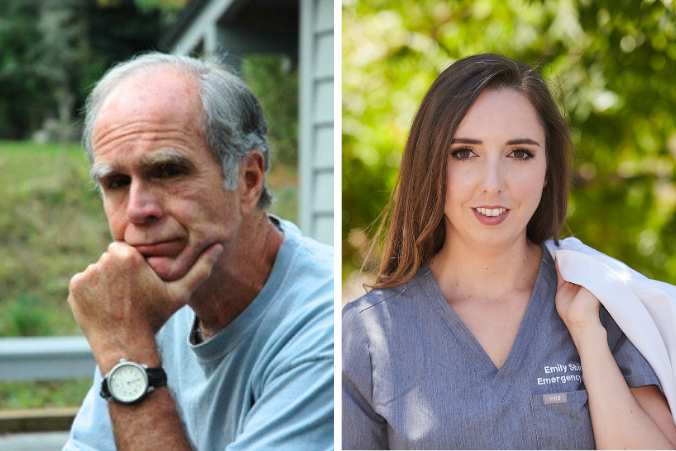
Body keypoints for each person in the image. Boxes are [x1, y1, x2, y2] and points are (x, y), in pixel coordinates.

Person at [342, 53, 676, 449]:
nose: (492, 184)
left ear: (548, 168)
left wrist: (588, 335)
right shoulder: (369, 335)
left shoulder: (604, 300)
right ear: (430, 163)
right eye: (464, 152)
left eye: (520, 153)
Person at [63, 52, 334, 450]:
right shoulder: (142, 304)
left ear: (248, 179)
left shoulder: (326, 329)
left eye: (169, 171)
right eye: (117, 182)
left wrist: (128, 352)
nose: (138, 210)